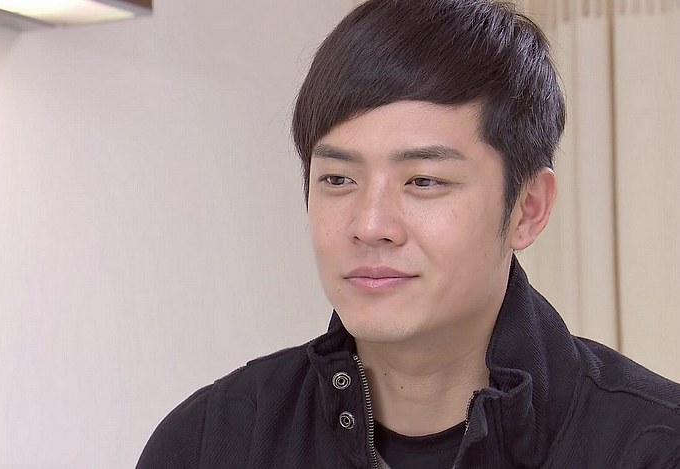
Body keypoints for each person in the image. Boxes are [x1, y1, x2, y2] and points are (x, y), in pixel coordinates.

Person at [137, 0, 680, 467]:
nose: (370, 226)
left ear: (528, 209)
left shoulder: (653, 447)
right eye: (338, 179)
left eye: (423, 181)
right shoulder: (210, 443)